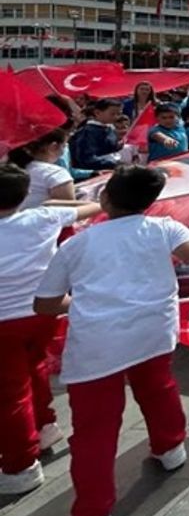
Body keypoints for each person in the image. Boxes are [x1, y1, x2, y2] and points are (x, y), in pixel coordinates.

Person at [33, 165, 189, 516]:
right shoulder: (165, 228)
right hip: (153, 332)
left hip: (97, 345)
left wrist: (83, 303)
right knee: (158, 388)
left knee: (95, 429)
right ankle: (171, 448)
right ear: (151, 201)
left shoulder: (77, 245)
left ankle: (93, 511)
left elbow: (44, 303)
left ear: (105, 198)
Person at [0, 165, 100, 495]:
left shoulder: (40, 217)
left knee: (10, 395)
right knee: (34, 368)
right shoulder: (42, 219)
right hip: (43, 312)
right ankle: (45, 425)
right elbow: (92, 207)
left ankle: (20, 465)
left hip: (4, 324)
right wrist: (50, 206)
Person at [7, 130, 75, 209]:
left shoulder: (10, 169)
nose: (64, 150)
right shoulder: (55, 173)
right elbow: (67, 212)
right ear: (53, 147)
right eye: (64, 146)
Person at [69, 99, 123, 171]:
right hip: (94, 172)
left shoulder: (109, 128)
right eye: (112, 114)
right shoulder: (88, 132)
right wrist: (113, 164)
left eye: (119, 114)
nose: (116, 117)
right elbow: (86, 158)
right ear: (97, 113)